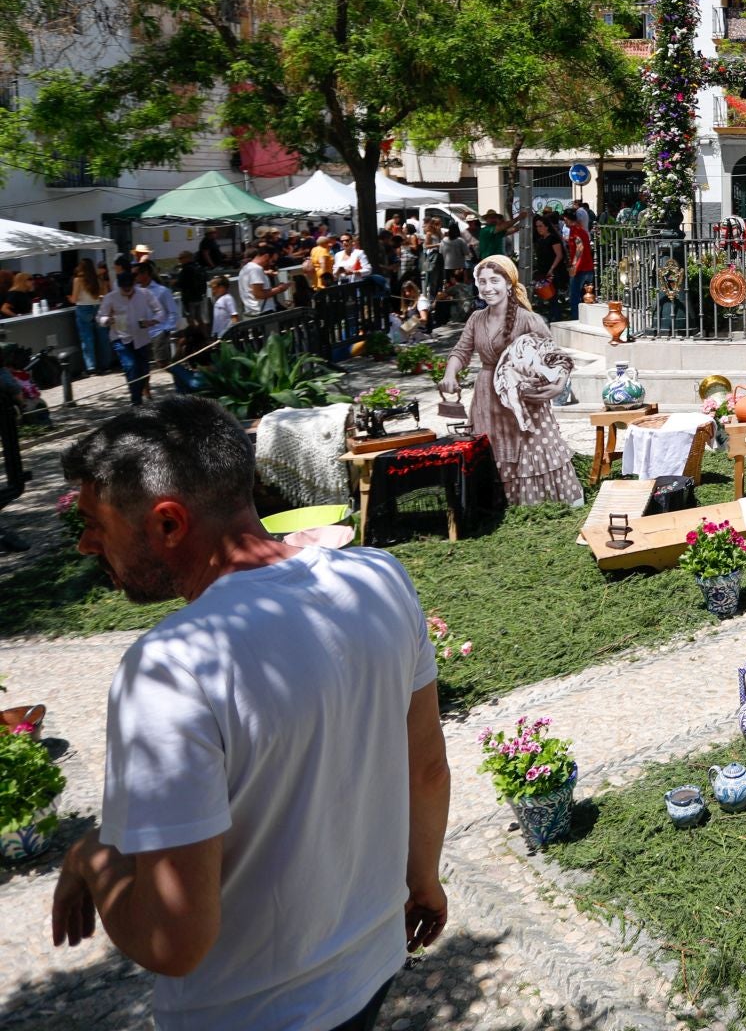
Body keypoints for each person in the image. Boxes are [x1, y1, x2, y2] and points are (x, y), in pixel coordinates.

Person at [49, 395, 450, 1029]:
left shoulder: (170, 667)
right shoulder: (380, 577)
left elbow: (174, 942)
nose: (85, 545)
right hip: (370, 964)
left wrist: (92, 859)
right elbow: (426, 767)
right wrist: (420, 879)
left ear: (170, 524)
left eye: (96, 523)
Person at [438, 255, 583, 507]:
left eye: (494, 280)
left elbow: (557, 357)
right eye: (482, 282)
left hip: (524, 397)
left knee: (529, 445)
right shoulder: (476, 319)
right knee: (493, 445)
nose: (488, 287)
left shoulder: (528, 319)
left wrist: (557, 385)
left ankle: (535, 503)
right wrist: (450, 374)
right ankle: (497, 504)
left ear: (508, 283)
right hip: (487, 396)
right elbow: (461, 351)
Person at [95, 271, 162, 404]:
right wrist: (107, 320)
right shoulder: (111, 297)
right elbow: (99, 317)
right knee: (130, 366)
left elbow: (159, 311)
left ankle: (139, 392)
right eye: (124, 287)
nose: (127, 290)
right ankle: (136, 401)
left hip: (141, 337)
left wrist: (152, 321)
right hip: (120, 338)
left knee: (144, 370)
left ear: (134, 284)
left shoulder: (144, 294)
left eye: (129, 286)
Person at [133, 262, 180, 367]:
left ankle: (184, 379)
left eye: (135, 274)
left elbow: (173, 312)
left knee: (163, 363)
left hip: (158, 332)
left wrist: (166, 329)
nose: (133, 277)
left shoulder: (162, 291)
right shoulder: (134, 291)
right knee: (141, 366)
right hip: (140, 334)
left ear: (145, 274)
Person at [69, 258, 105, 374]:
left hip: (83, 308)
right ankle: (105, 364)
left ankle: (91, 367)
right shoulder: (98, 279)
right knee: (102, 336)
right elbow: (103, 295)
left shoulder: (78, 280)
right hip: (97, 307)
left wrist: (69, 298)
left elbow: (74, 299)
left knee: (87, 338)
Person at [236, 244, 290, 316]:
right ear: (266, 256)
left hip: (252, 311)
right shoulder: (256, 269)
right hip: (263, 313)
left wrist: (265, 273)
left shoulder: (247, 268)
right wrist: (280, 288)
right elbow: (259, 294)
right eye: (272, 261)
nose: (271, 264)